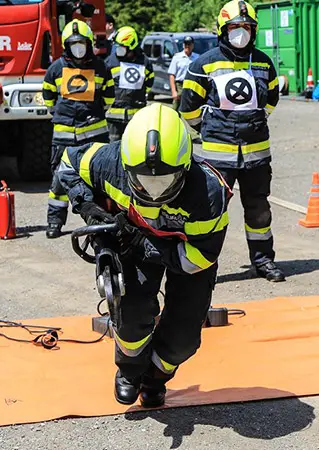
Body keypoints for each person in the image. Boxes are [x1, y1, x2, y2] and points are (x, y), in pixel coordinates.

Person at [58, 103, 230, 408]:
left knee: (183, 339)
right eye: (141, 180)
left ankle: (154, 379)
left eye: (164, 181)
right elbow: (67, 163)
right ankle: (129, 372)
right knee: (132, 315)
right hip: (132, 242)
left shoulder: (209, 194)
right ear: (125, 164)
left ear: (184, 168)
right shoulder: (108, 161)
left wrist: (150, 244)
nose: (153, 192)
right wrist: (91, 209)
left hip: (184, 254)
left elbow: (200, 257)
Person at [180, 0, 284, 282]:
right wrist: (210, 128)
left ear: (254, 30)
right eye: (235, 27)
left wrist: (254, 121)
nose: (241, 32)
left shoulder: (263, 62)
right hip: (218, 157)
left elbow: (271, 99)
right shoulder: (204, 63)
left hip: (257, 155)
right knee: (210, 213)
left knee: (259, 211)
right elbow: (188, 108)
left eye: (246, 27)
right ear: (222, 30)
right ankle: (203, 266)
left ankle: (263, 261)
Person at [42, 19, 115, 239]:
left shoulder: (101, 67)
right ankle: (54, 222)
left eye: (81, 43)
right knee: (59, 179)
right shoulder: (56, 68)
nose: (78, 47)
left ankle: (102, 222)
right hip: (63, 135)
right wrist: (63, 116)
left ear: (89, 43)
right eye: (73, 43)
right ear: (66, 45)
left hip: (94, 133)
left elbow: (109, 98)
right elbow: (48, 98)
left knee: (99, 179)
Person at [105, 26, 154, 142]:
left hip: (136, 117)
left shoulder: (144, 62)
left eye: (121, 47)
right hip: (113, 117)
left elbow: (149, 84)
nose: (118, 50)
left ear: (131, 46)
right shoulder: (110, 62)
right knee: (113, 147)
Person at [168, 36, 198, 110]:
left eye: (189, 44)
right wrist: (174, 91)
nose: (187, 46)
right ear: (183, 45)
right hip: (180, 85)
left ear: (193, 45)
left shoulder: (197, 57)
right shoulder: (177, 57)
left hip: (192, 85)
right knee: (176, 107)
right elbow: (172, 75)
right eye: (186, 44)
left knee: (191, 108)